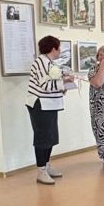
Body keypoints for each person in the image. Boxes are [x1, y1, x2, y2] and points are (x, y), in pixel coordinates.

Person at [26, 34, 75, 185]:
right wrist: (63, 81)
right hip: (40, 105)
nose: (60, 50)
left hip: (50, 104)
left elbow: (54, 85)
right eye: (59, 48)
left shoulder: (50, 63)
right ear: (53, 49)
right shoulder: (40, 62)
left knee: (51, 137)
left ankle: (46, 165)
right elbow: (45, 85)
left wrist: (65, 84)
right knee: (42, 138)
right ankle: (41, 171)